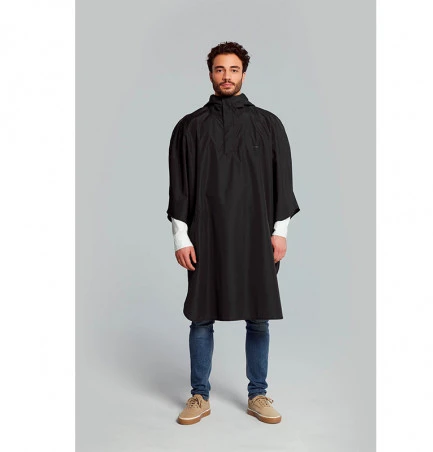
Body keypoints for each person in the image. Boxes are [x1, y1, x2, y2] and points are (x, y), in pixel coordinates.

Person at [166, 41, 300, 425]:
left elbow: (282, 182)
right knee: (201, 317)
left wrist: (280, 232)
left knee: (258, 317)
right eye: (220, 69)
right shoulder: (190, 127)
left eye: (234, 69)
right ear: (210, 73)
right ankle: (199, 395)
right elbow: (180, 186)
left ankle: (258, 394)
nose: (227, 76)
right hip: (206, 235)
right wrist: (181, 237)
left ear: (244, 73)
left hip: (257, 235)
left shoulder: (268, 124)